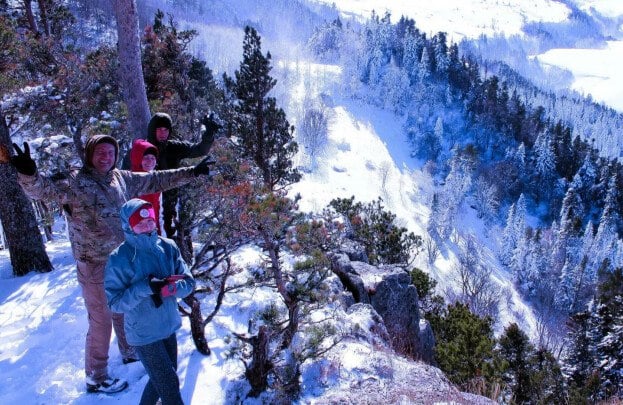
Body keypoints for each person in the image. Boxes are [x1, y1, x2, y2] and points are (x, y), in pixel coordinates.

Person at [10, 135, 211, 394]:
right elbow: (42, 190)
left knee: (125, 308)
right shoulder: (74, 180)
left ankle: (128, 350)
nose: (105, 157)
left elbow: (155, 179)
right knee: (101, 320)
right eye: (99, 152)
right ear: (89, 155)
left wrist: (192, 172)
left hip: (121, 259)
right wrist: (29, 173)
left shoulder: (120, 178)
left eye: (110, 152)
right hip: (93, 263)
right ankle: (96, 376)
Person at [105, 198, 194, 405]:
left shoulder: (168, 247)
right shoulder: (119, 258)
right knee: (169, 384)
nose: (147, 226)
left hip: (168, 325)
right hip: (143, 333)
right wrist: (145, 287)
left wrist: (171, 289)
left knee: (160, 381)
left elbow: (188, 282)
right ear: (128, 226)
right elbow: (115, 303)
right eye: (140, 223)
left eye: (150, 221)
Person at [139, 112, 220, 238]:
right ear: (152, 130)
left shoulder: (173, 147)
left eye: (166, 129)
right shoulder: (140, 149)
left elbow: (200, 150)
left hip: (169, 206)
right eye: (159, 129)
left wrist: (209, 134)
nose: (163, 133)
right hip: (144, 207)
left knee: (168, 240)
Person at [130, 139, 162, 234]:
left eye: (153, 158)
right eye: (146, 157)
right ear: (137, 158)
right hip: (134, 232)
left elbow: (159, 210)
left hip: (153, 231)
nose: (150, 161)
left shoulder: (156, 179)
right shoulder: (129, 179)